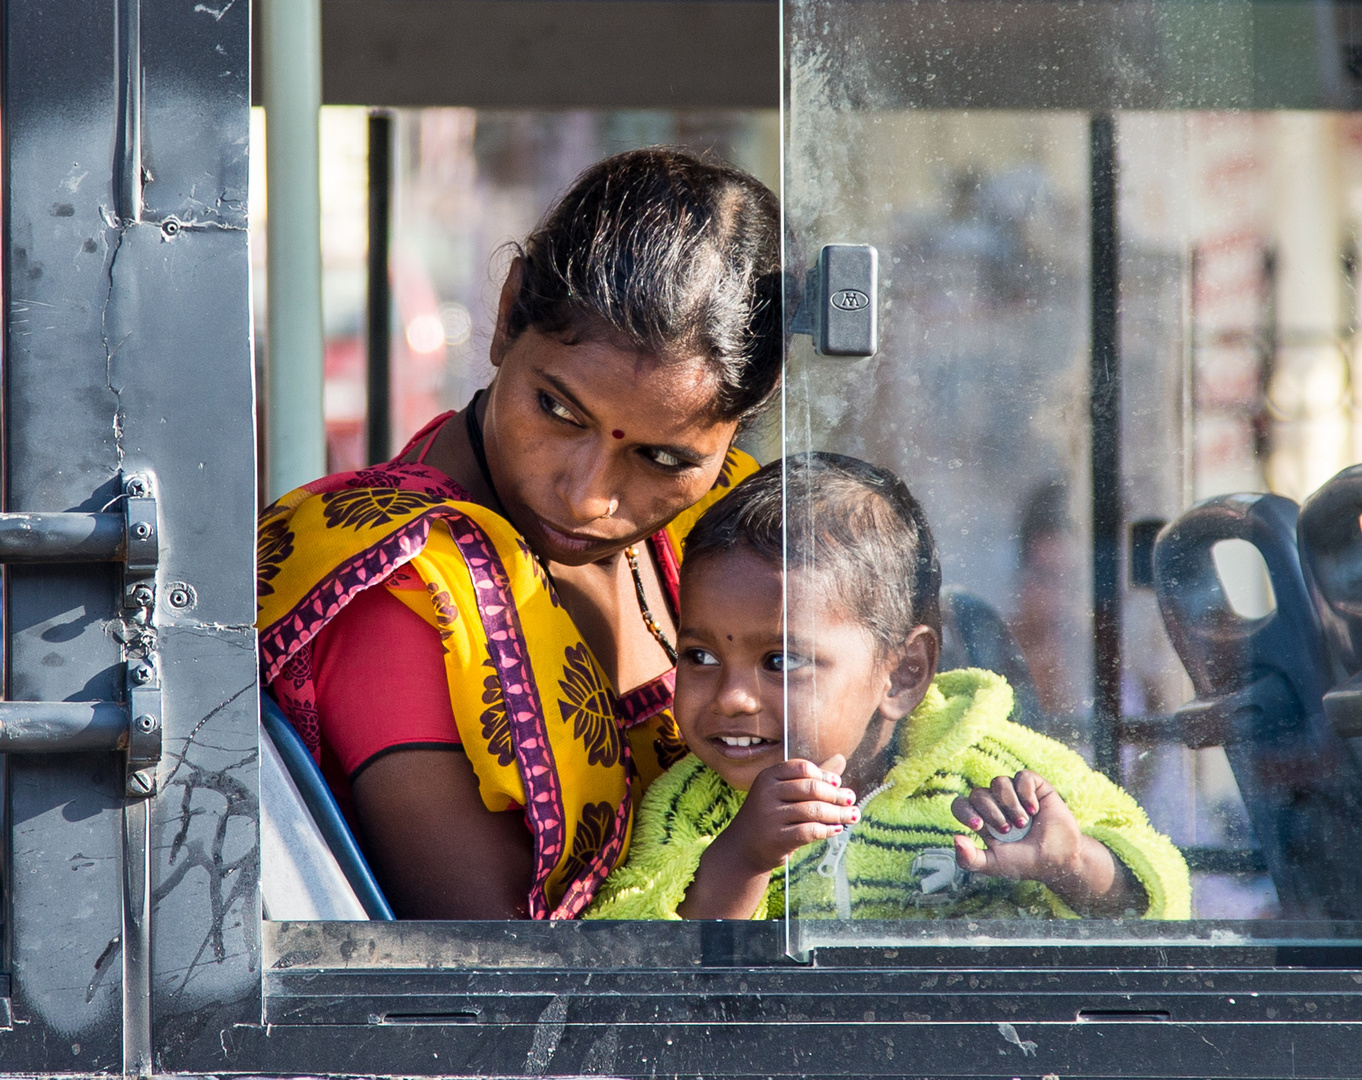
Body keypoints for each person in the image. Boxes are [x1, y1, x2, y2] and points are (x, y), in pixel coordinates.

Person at [257, 148, 782, 919]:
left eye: (664, 458)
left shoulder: (729, 517)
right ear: (507, 316)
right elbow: (505, 987)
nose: (587, 496)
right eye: (558, 411)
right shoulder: (399, 586)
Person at [586, 454, 1190, 920]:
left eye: (780, 661)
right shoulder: (694, 805)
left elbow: (1164, 897)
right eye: (698, 655)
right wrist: (742, 859)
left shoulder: (998, 776)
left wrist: (1071, 863)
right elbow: (646, 956)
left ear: (902, 674)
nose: (731, 699)